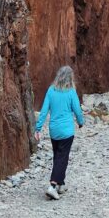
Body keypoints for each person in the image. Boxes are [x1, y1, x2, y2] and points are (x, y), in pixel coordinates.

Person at [35, 66, 84, 200]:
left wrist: (38, 128)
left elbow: (44, 111)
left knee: (58, 156)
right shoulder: (71, 91)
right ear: (70, 78)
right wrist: (81, 122)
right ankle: (52, 186)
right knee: (62, 158)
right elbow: (77, 110)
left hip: (54, 131)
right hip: (67, 131)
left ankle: (61, 184)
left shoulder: (51, 90)